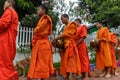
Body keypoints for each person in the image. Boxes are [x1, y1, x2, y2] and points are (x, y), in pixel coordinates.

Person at [28, 4, 55, 80]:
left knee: (43, 65)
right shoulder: (42, 19)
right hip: (39, 43)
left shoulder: (46, 19)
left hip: (43, 44)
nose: (37, 11)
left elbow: (37, 30)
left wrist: (35, 31)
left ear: (43, 10)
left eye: (38, 9)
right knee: (39, 64)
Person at [53, 14, 81, 80]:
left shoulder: (72, 24)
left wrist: (58, 37)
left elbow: (68, 34)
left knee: (72, 62)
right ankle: (67, 77)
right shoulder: (65, 27)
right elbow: (64, 36)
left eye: (62, 19)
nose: (61, 21)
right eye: (61, 20)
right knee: (66, 62)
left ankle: (74, 78)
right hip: (66, 46)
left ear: (66, 18)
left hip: (71, 45)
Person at [0, 0, 19, 80]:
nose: (3, 5)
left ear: (10, 4)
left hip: (5, 42)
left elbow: (3, 24)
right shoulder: (14, 13)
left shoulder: (9, 11)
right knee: (7, 63)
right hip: (10, 42)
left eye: (5, 3)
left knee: (3, 63)